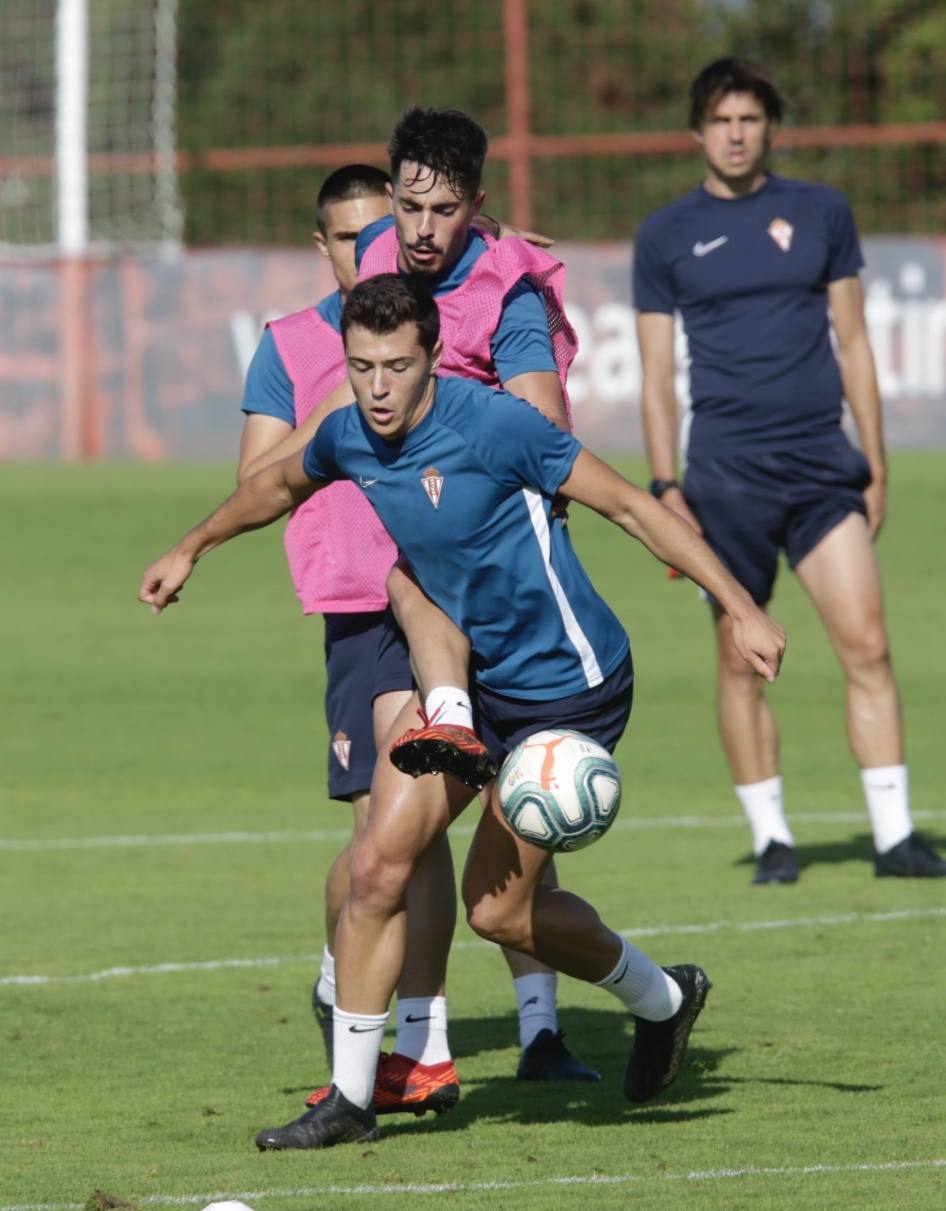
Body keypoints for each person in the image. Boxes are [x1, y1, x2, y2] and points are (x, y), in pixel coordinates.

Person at [138, 274, 787, 1149]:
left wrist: (741, 606)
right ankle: (353, 1098)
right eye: (361, 366)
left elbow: (631, 505)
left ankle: (664, 999)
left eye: (395, 366)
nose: (375, 387)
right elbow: (276, 485)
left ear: (433, 357)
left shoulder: (498, 425)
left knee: (500, 916)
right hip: (477, 688)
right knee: (378, 866)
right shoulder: (350, 436)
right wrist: (191, 546)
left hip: (571, 687)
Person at [247, 111, 600, 1084]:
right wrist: (227, 518)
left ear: (473, 211)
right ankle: (414, 1032)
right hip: (372, 592)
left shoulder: (503, 293)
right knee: (394, 835)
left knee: (477, 812)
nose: (415, 229)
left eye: (443, 209)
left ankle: (502, 1031)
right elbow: (300, 449)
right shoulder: (328, 315)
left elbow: (542, 425)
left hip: (486, 591)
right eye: (406, 207)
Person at [633, 56, 946, 884]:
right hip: (723, 480)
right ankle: (773, 837)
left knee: (868, 644)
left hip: (820, 470)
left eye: (750, 118)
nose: (736, 134)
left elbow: (854, 341)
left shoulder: (820, 212)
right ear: (698, 131)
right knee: (741, 660)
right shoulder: (664, 235)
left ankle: (892, 837)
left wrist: (874, 460)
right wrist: (667, 486)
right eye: (721, 120)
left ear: (769, 126)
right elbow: (657, 375)